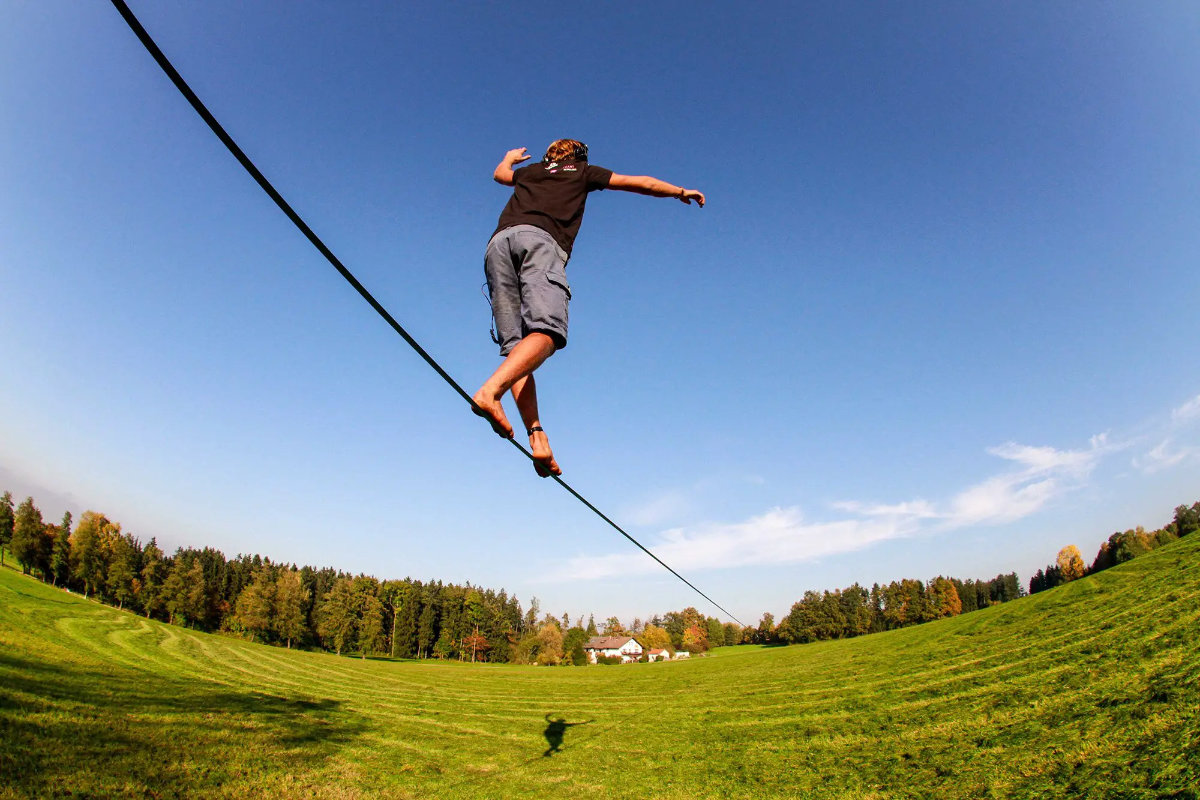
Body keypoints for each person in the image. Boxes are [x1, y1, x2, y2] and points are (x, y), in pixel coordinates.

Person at [472, 139, 705, 477]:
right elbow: (639, 182)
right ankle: (490, 392)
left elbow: (500, 175)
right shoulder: (582, 171)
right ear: (580, 157)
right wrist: (679, 191)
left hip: (498, 246)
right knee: (547, 333)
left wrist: (507, 158)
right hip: (539, 242)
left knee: (517, 354)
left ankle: (538, 437)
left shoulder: (531, 172)